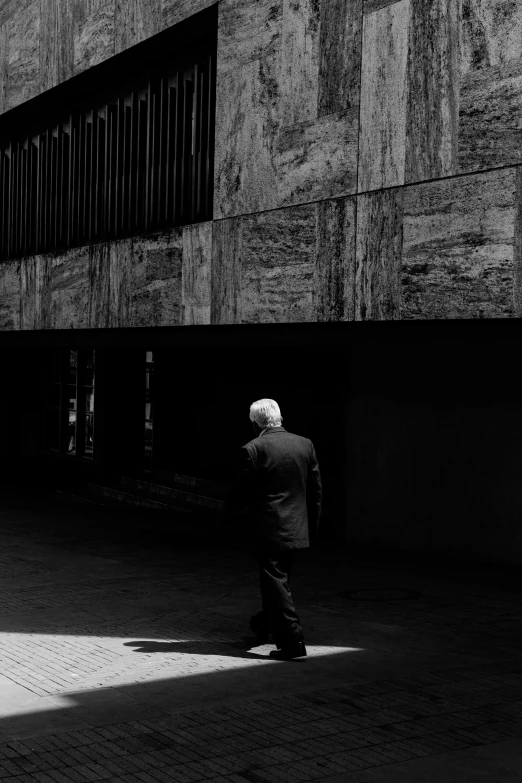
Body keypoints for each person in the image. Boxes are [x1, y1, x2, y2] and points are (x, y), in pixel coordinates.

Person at [222, 398, 322, 660]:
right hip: (298, 529)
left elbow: (238, 493)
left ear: (255, 423)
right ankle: (263, 624)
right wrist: (313, 527)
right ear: (278, 417)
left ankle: (292, 641)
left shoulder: (253, 449)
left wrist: (227, 519)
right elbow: (315, 491)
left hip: (269, 530)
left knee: (276, 583)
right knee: (278, 581)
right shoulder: (305, 444)